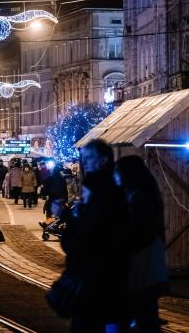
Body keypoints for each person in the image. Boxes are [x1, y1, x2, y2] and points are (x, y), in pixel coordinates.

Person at [54, 139, 128, 332]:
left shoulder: (102, 191)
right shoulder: (111, 190)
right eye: (83, 158)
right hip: (105, 279)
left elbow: (84, 239)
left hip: (94, 281)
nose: (85, 162)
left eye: (89, 158)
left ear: (103, 160)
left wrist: (67, 218)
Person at [114, 155, 168, 333]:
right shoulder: (143, 192)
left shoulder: (140, 197)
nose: (116, 178)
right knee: (145, 313)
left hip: (142, 263)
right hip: (147, 262)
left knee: (142, 313)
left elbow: (138, 232)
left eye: (118, 173)